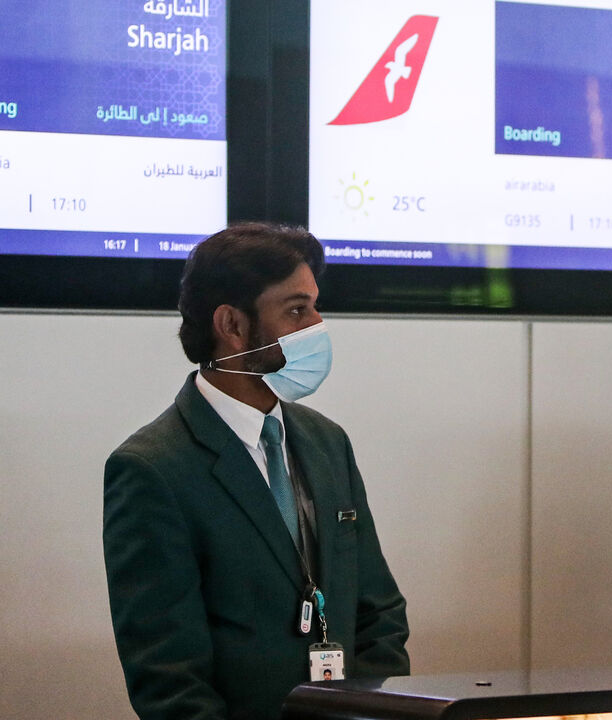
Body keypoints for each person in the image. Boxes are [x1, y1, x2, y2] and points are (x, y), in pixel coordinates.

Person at [103, 222, 409, 720]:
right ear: (232, 325)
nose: (317, 324)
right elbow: (168, 677)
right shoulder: (152, 469)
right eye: (296, 310)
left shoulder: (327, 442)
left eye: (314, 305)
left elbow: (380, 613)